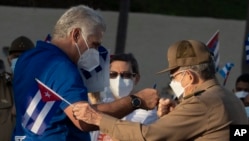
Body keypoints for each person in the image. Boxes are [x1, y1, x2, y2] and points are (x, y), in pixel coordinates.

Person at [11, 5, 158, 141]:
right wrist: (136, 100)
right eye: (95, 44)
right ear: (76, 34)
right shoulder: (62, 67)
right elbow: (84, 119)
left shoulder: (27, 58)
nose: (96, 52)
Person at [73, 39, 249, 141]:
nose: (173, 82)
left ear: (189, 77)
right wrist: (175, 117)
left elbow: (148, 137)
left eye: (174, 76)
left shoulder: (202, 103)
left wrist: (97, 118)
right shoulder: (229, 98)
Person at [90, 53, 158, 141]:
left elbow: (125, 137)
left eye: (126, 75)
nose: (118, 80)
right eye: (113, 74)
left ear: (136, 79)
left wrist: (96, 111)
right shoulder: (105, 102)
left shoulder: (146, 110)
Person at [0, 36, 34, 141]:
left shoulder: (42, 87)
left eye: (25, 56)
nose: (19, 60)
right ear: (9, 59)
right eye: (15, 56)